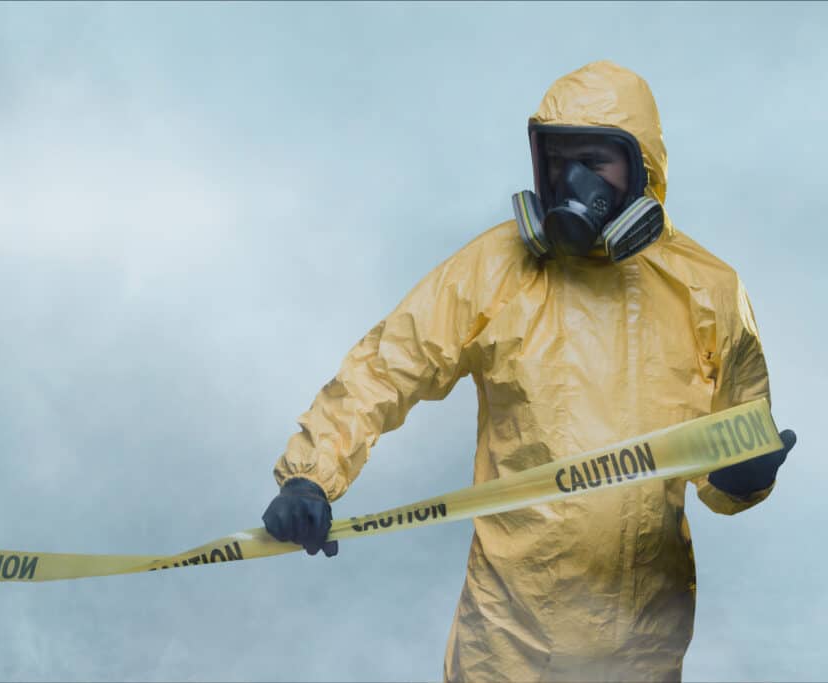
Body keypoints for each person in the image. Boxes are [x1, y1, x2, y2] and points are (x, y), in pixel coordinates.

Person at [261, 61, 796, 682]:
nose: (571, 181)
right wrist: (311, 476)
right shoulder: (495, 271)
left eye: (594, 161)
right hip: (509, 643)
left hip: (643, 642)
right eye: (558, 160)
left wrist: (741, 478)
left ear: (643, 167)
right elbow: (387, 366)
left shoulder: (707, 292)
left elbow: (731, 450)